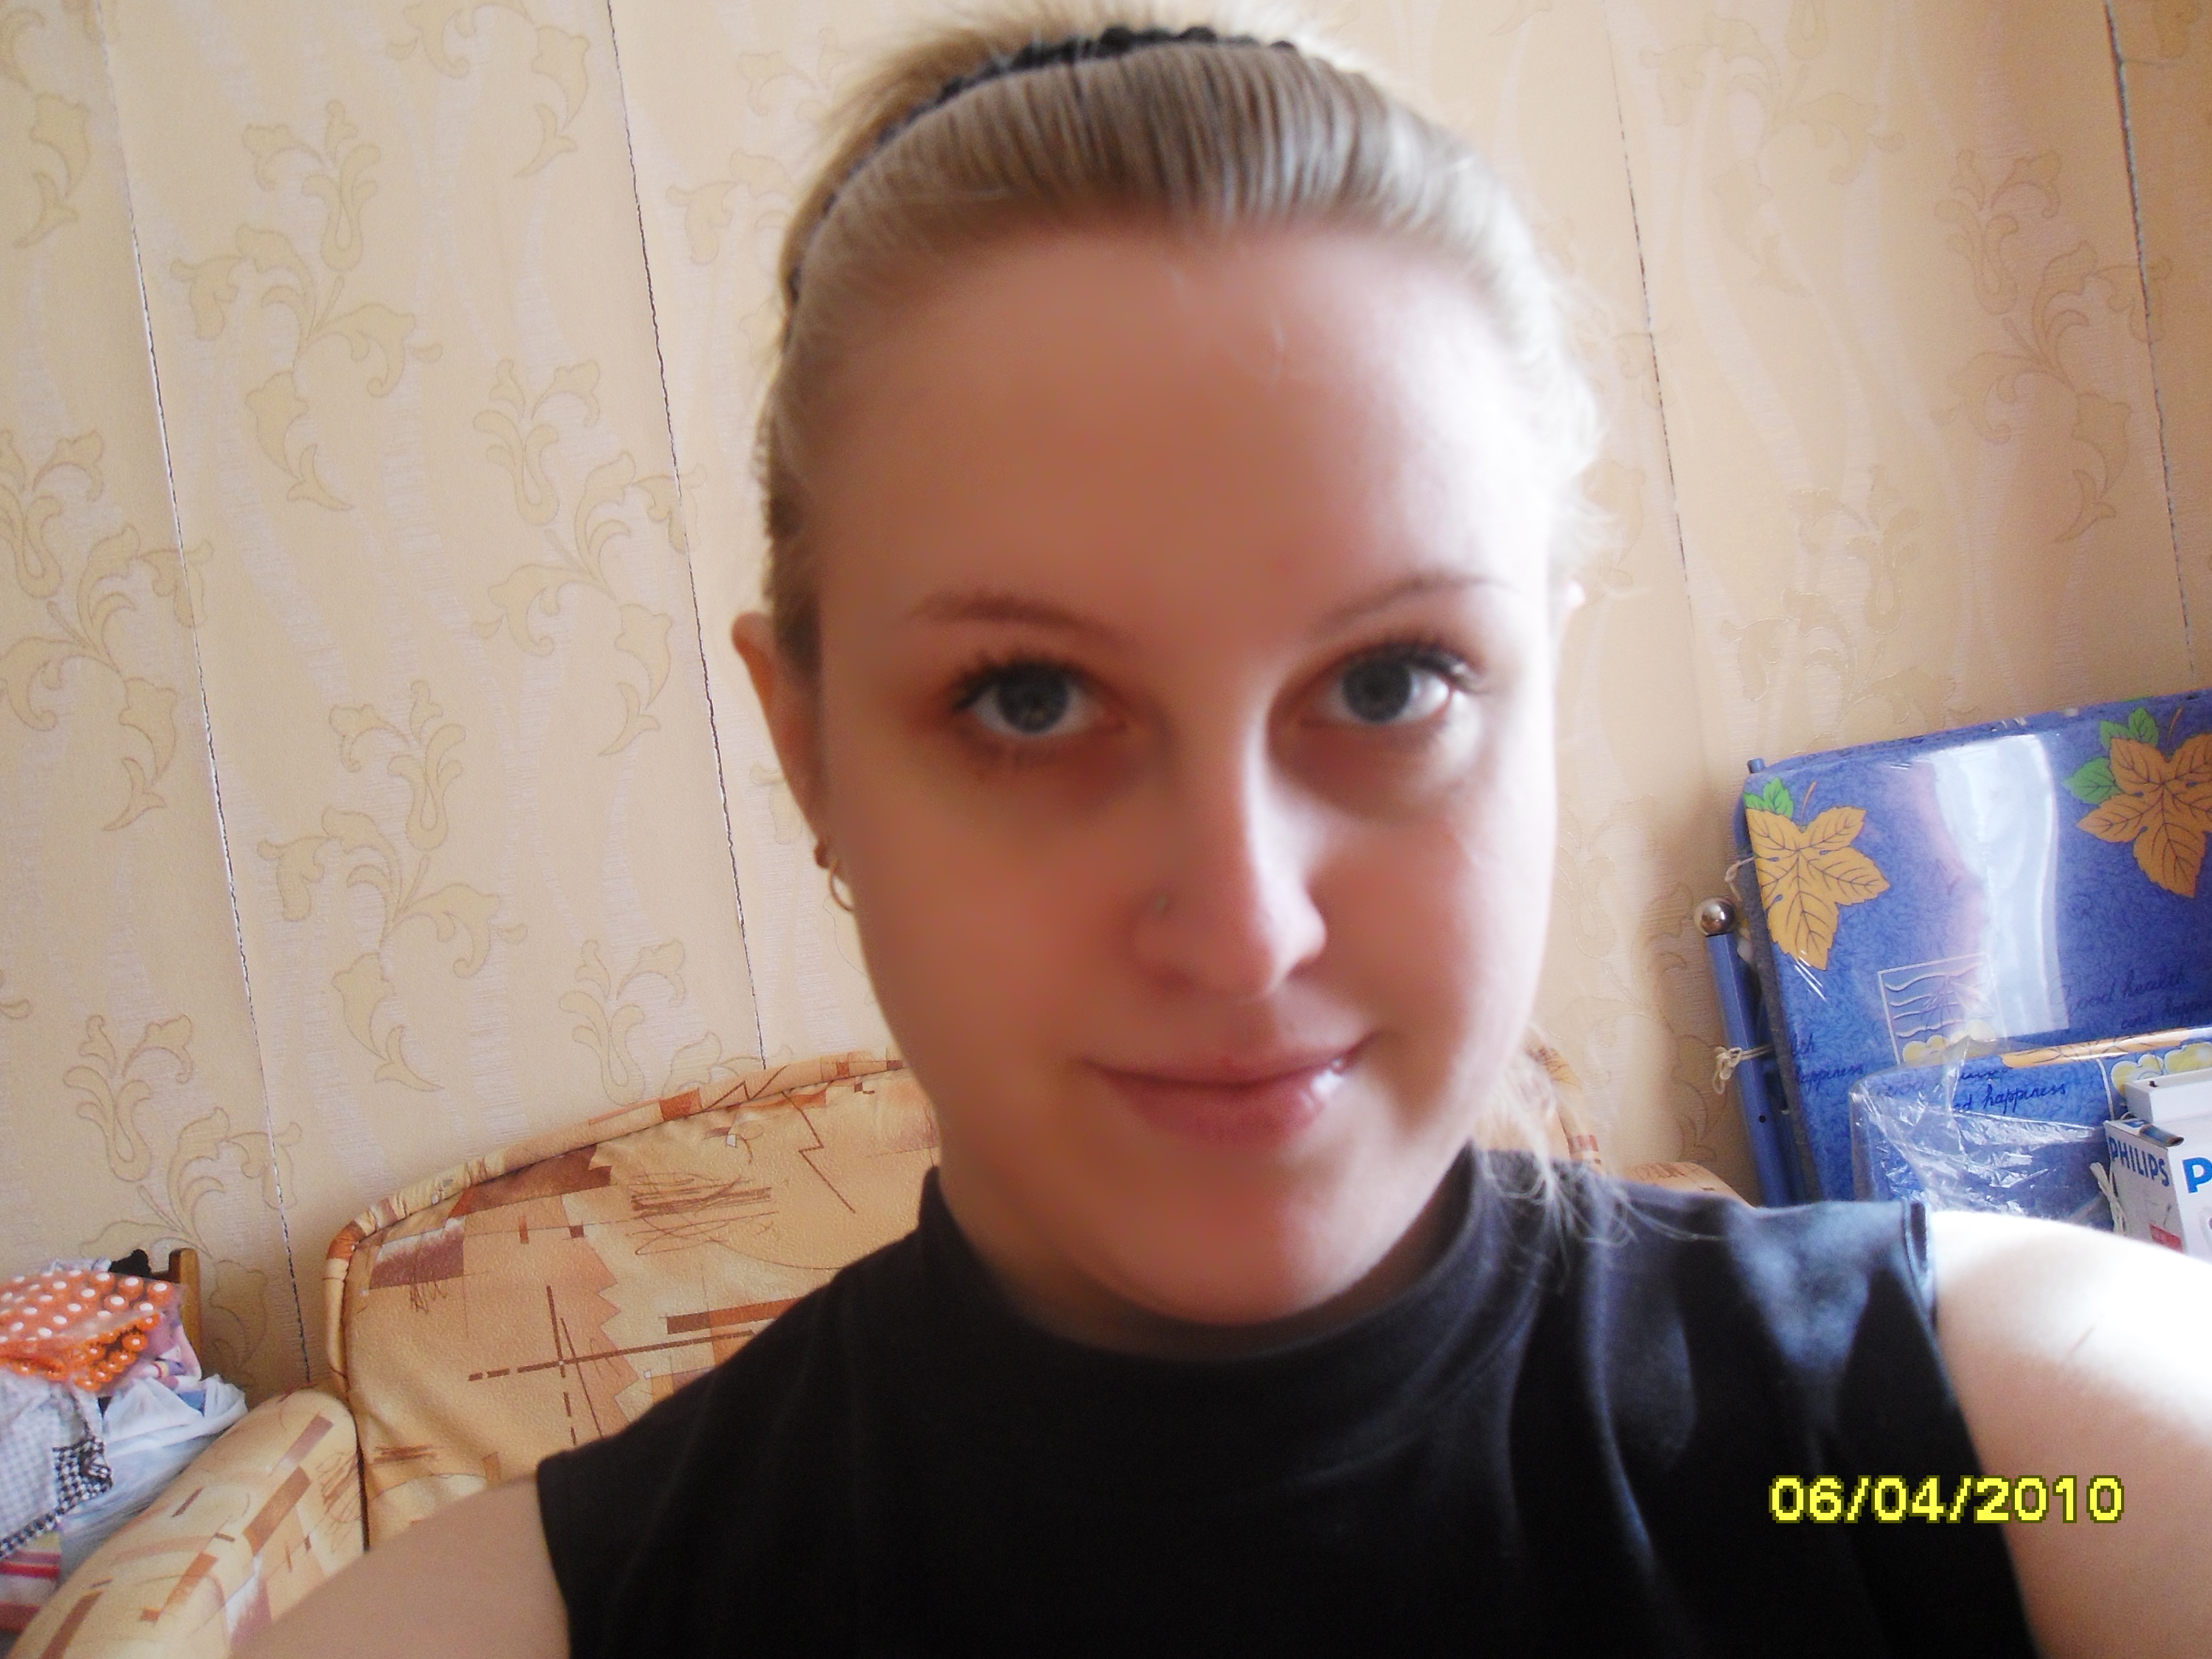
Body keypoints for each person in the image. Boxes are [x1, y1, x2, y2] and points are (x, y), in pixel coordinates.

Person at [243, 4, 2212, 1655]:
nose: (1247, 927)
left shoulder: (1968, 1453)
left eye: (1391, 682)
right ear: (810, 749)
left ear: (1544, 692)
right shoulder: (499, 1633)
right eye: (1029, 701)